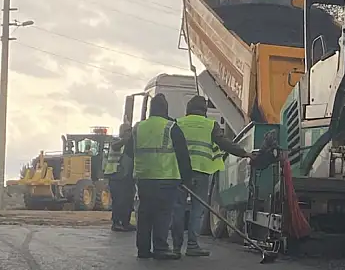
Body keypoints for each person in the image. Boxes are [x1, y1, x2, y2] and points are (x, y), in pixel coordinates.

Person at [171, 96, 255, 257]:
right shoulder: (210, 125)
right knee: (197, 210)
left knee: (178, 209)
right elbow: (225, 144)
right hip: (202, 172)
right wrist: (245, 153)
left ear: (188, 109)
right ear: (204, 110)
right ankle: (192, 246)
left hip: (179, 173)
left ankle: (176, 247)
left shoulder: (178, 123)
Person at [123, 94, 192, 260]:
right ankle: (160, 248)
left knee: (145, 213)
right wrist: (187, 179)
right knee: (162, 214)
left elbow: (128, 152)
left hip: (144, 178)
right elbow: (183, 155)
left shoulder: (138, 128)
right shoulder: (171, 127)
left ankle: (143, 249)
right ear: (165, 109)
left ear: (149, 110)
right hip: (166, 178)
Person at [104, 123, 136, 232]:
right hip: (115, 175)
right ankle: (116, 223)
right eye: (127, 131)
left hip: (127, 176)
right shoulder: (115, 140)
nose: (129, 133)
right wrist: (125, 139)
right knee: (118, 200)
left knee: (128, 200)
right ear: (122, 131)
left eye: (130, 131)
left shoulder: (130, 143)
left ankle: (125, 222)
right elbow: (115, 146)